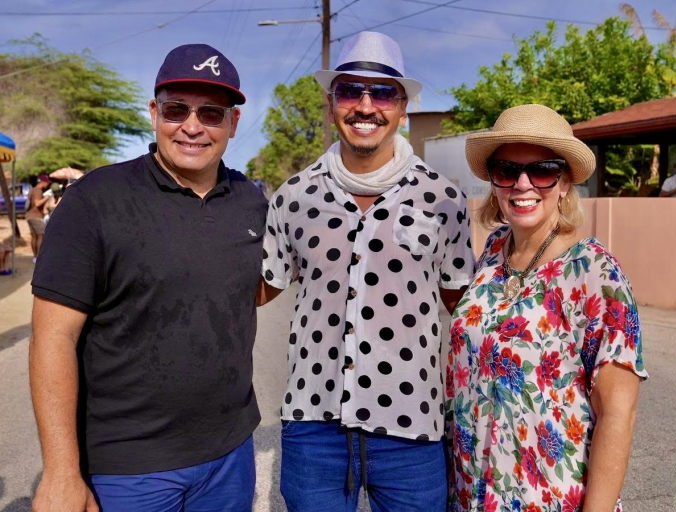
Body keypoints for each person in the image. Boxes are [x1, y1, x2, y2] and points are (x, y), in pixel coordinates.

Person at [30, 43, 267, 512]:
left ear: (233, 124)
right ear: (154, 112)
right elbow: (52, 338)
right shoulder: (94, 201)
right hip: (129, 467)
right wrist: (61, 473)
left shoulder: (251, 202)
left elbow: (249, 290)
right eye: (177, 109)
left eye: (212, 113)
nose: (193, 126)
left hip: (230, 454)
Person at [257, 31, 475, 511]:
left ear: (402, 108)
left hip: (411, 428)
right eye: (350, 90)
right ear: (332, 102)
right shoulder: (293, 198)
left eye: (382, 93)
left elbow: (463, 306)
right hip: (314, 426)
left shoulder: (443, 199)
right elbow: (258, 288)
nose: (365, 105)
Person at [446, 104, 648, 512]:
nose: (523, 184)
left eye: (542, 170)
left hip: (550, 500)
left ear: (564, 182)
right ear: (494, 181)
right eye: (507, 170)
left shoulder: (594, 274)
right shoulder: (492, 254)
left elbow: (617, 414)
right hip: (471, 494)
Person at [25, 174, 52, 263]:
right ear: (43, 182)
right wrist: (47, 197)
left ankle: (35, 257)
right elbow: (37, 203)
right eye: (47, 183)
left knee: (34, 236)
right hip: (36, 216)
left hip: (29, 215)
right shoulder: (38, 191)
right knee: (40, 236)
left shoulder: (32, 190)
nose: (47, 185)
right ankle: (39, 257)